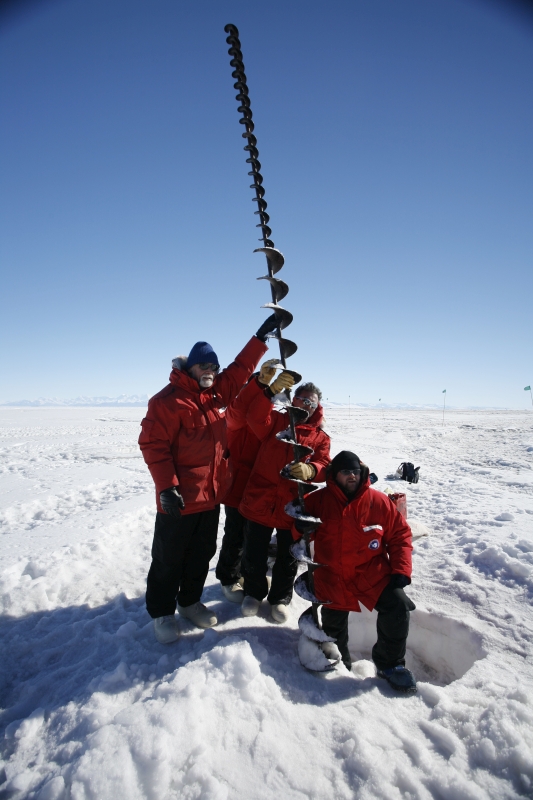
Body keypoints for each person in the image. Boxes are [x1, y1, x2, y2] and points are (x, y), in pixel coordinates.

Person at [139, 317, 278, 644]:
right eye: (204, 366)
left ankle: (189, 602)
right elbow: (153, 445)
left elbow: (240, 369)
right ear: (190, 367)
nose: (210, 371)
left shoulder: (215, 395)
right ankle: (162, 613)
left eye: (213, 367)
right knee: (168, 559)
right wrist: (166, 486)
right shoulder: (167, 401)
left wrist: (260, 338)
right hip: (178, 501)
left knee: (201, 555)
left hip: (210, 497)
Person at [293, 450, 417, 693]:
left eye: (356, 472)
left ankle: (391, 664)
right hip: (332, 575)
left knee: (398, 606)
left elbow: (400, 535)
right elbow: (297, 535)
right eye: (346, 472)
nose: (352, 476)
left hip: (370, 573)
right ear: (334, 475)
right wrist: (299, 526)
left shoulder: (378, 501)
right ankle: (342, 668)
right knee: (333, 633)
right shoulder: (318, 501)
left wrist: (401, 568)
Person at [237, 371, 331, 623]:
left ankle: (280, 599)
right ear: (294, 398)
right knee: (254, 551)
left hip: (292, 504)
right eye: (302, 399)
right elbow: (254, 417)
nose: (306, 405)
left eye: (312, 403)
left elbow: (325, 464)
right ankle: (253, 593)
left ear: (317, 407)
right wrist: (270, 393)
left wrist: (312, 470)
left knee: (288, 556)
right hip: (261, 498)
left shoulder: (320, 437)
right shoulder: (277, 421)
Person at [214, 360, 280, 603]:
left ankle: (244, 572)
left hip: (257, 486)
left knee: (252, 535)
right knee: (235, 533)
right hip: (235, 485)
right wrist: (259, 386)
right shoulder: (235, 414)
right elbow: (238, 414)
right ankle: (228, 577)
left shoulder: (267, 416)